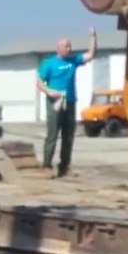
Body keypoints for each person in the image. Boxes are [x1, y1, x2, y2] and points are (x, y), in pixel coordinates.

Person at [35, 27, 97, 177]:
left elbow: (90, 55)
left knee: (68, 135)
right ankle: (46, 165)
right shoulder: (48, 63)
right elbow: (39, 82)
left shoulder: (73, 61)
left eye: (70, 46)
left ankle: (64, 166)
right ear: (59, 48)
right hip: (55, 102)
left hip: (70, 102)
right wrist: (49, 91)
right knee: (52, 134)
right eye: (66, 46)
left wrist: (93, 37)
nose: (69, 49)